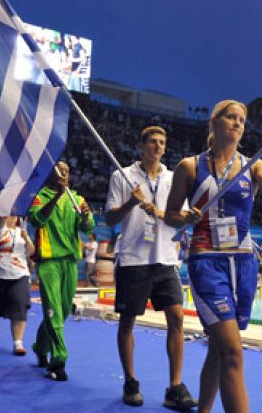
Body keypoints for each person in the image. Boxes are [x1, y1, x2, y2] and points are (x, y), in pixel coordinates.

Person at [165, 99, 262, 413]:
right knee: (233, 352)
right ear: (215, 123)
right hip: (207, 261)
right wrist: (186, 218)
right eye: (231, 117)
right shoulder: (190, 166)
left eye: (242, 120)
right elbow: (169, 216)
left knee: (219, 351)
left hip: (244, 263)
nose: (237, 123)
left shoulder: (253, 164)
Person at [105, 125, 197, 410]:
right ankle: (130, 381)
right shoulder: (123, 176)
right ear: (142, 145)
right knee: (127, 322)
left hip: (166, 258)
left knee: (177, 319)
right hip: (134, 259)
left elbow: (177, 215)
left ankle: (174, 387)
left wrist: (187, 217)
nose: (158, 147)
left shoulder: (173, 178)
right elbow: (109, 220)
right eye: (153, 142)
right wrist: (132, 202)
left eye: (162, 143)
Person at [29, 161, 94, 382]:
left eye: (66, 171)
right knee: (54, 311)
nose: (63, 174)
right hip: (48, 262)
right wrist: (56, 196)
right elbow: (36, 219)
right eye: (59, 171)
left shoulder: (78, 199)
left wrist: (86, 216)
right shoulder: (38, 197)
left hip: (70, 262)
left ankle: (40, 346)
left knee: (62, 311)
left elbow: (88, 228)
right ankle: (59, 361)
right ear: (50, 175)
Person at [0, 216, 34, 355]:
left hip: (19, 274)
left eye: (16, 214)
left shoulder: (21, 231)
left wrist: (27, 237)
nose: (14, 217)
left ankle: (18, 343)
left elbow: (31, 251)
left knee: (20, 305)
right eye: (11, 214)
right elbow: (0, 220)